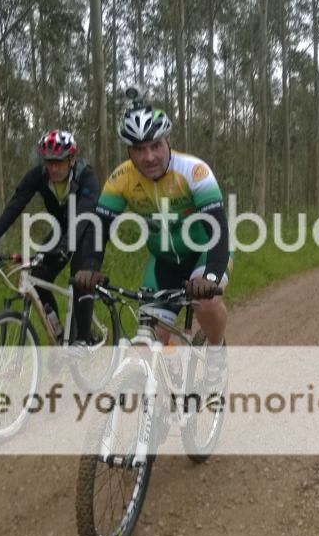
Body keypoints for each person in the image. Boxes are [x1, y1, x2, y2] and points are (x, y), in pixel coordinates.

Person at [73, 92, 231, 390]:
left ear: (168, 140)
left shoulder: (194, 171)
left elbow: (218, 230)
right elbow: (98, 227)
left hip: (203, 255)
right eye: (139, 149)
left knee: (207, 303)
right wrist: (90, 264)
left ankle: (216, 351)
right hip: (163, 264)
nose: (148, 157)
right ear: (129, 151)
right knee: (149, 342)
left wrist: (210, 276)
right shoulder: (121, 179)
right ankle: (158, 407)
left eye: (155, 146)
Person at [0, 129, 100, 344]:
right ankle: (60, 335)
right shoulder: (38, 176)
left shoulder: (86, 177)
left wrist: (63, 247)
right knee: (39, 278)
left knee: (80, 278)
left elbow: (83, 216)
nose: (53, 168)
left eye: (59, 162)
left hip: (88, 227)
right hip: (62, 228)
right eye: (49, 162)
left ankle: (84, 339)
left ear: (71, 159)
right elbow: (12, 210)